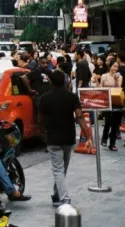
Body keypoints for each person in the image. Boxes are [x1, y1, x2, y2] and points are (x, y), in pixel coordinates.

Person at [38, 70, 93, 206]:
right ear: (65, 81)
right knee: (63, 168)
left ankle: (63, 197)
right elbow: (80, 117)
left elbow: (40, 119)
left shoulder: (44, 98)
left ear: (51, 82)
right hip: (68, 137)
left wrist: (43, 134)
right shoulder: (72, 97)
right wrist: (88, 136)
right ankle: (57, 194)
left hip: (53, 138)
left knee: (58, 169)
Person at [99, 62, 124, 151]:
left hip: (116, 101)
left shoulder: (120, 77)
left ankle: (112, 144)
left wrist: (116, 80)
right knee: (108, 121)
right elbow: (101, 88)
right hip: (107, 101)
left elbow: (118, 88)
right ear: (110, 66)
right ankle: (104, 137)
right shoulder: (104, 76)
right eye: (114, 66)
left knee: (115, 124)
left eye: (117, 67)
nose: (115, 68)